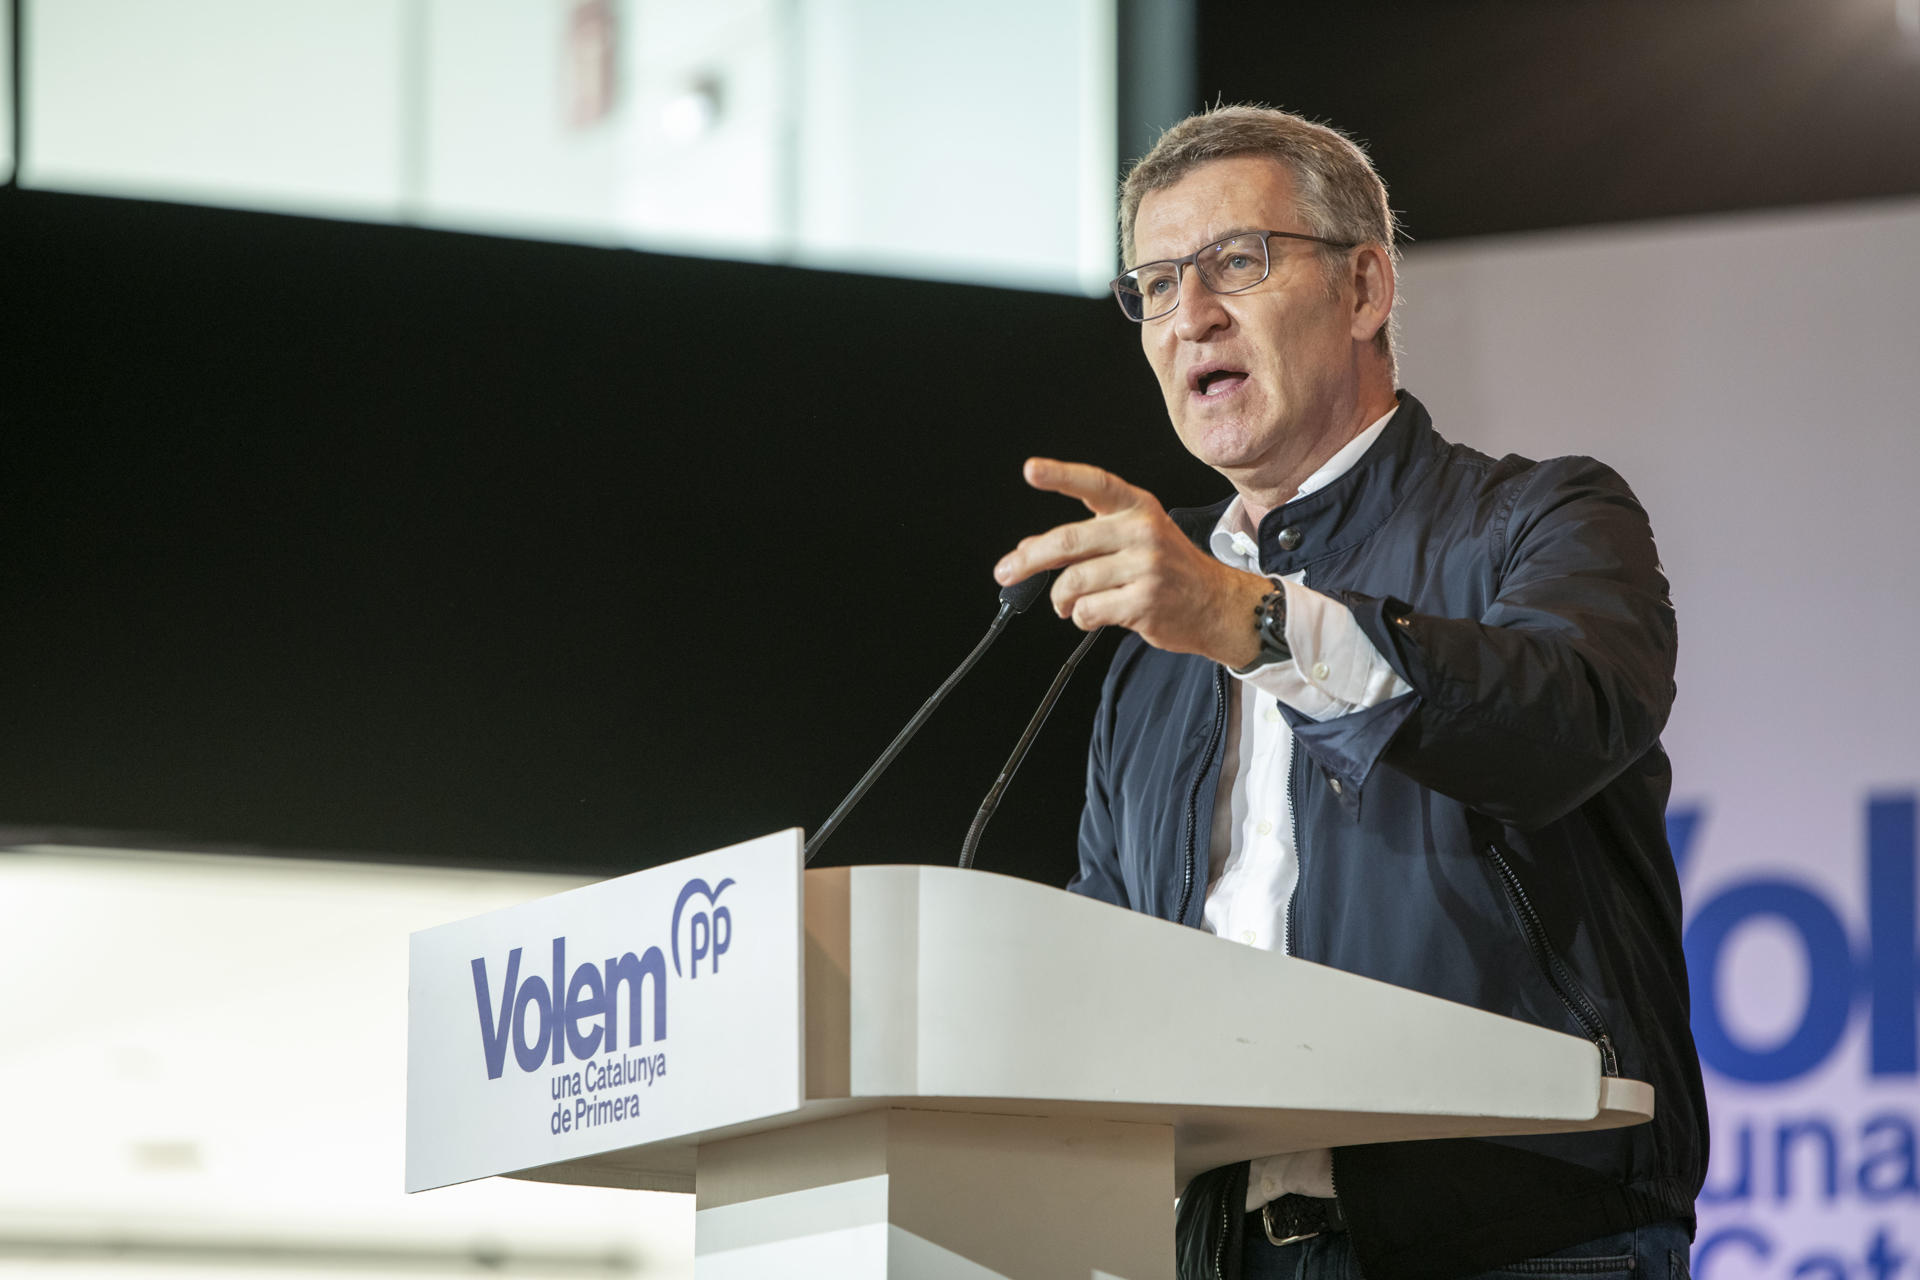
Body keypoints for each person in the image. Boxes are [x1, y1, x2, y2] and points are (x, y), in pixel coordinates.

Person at [992, 106, 1707, 1280]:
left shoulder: (1543, 521)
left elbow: (1563, 718)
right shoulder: (1148, 648)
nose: (1193, 318)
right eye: (1157, 285)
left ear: (1365, 287)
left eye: (1237, 261)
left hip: (1523, 1241)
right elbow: (1110, 949)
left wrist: (1256, 621)